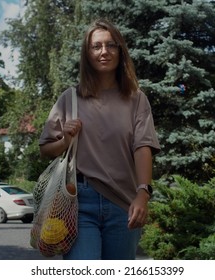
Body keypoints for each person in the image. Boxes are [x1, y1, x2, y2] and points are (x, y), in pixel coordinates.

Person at [39, 18, 160, 260]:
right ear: (87, 53)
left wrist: (142, 193)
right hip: (78, 202)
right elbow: (45, 148)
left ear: (120, 51)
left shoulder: (136, 99)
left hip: (124, 203)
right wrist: (65, 140)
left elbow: (143, 146)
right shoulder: (70, 98)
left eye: (111, 45)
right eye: (96, 46)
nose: (104, 52)